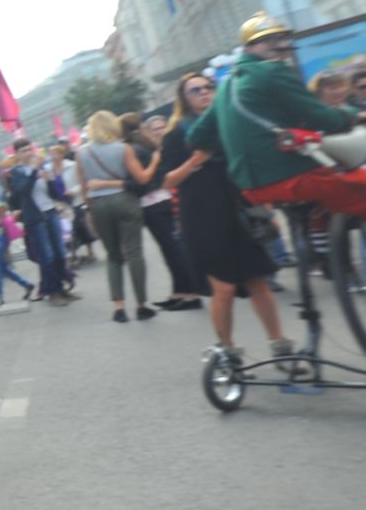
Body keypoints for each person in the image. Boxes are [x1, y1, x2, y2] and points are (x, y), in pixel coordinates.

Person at [189, 13, 366, 322]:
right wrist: (354, 115)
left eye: (282, 39)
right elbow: (319, 116)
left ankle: (321, 241)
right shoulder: (273, 73)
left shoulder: (228, 84)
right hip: (293, 177)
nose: (281, 46)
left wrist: (239, 143)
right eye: (272, 41)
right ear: (253, 47)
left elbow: (197, 137)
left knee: (333, 191)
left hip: (253, 187)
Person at [161, 72, 292, 361]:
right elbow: (168, 180)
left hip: (239, 210)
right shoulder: (177, 133)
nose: (204, 93)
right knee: (224, 287)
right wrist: (197, 160)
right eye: (196, 90)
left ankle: (279, 343)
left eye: (208, 87)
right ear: (184, 98)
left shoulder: (228, 124)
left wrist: (266, 206)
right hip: (202, 218)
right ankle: (228, 349)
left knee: (258, 280)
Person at [76, 112, 158, 322]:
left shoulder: (81, 153)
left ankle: (119, 307)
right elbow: (141, 178)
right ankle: (141, 305)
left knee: (113, 256)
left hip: (99, 205)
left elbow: (83, 185)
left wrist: (89, 208)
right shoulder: (124, 149)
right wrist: (155, 161)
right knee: (134, 253)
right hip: (125, 200)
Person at [130, 112, 204, 311]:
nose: (159, 132)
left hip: (159, 200)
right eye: (154, 129)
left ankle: (191, 294)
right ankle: (180, 292)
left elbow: (150, 178)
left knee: (174, 249)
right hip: (159, 199)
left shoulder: (147, 149)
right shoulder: (150, 148)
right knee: (170, 249)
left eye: (161, 128)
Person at [6, 139, 71, 304]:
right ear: (17, 154)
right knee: (46, 255)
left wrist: (49, 179)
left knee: (60, 252)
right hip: (35, 217)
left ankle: (62, 286)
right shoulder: (16, 172)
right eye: (23, 150)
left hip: (50, 211)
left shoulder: (42, 167)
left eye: (29, 149)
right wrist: (34, 171)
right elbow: (23, 191)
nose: (28, 152)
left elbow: (55, 194)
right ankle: (52, 291)